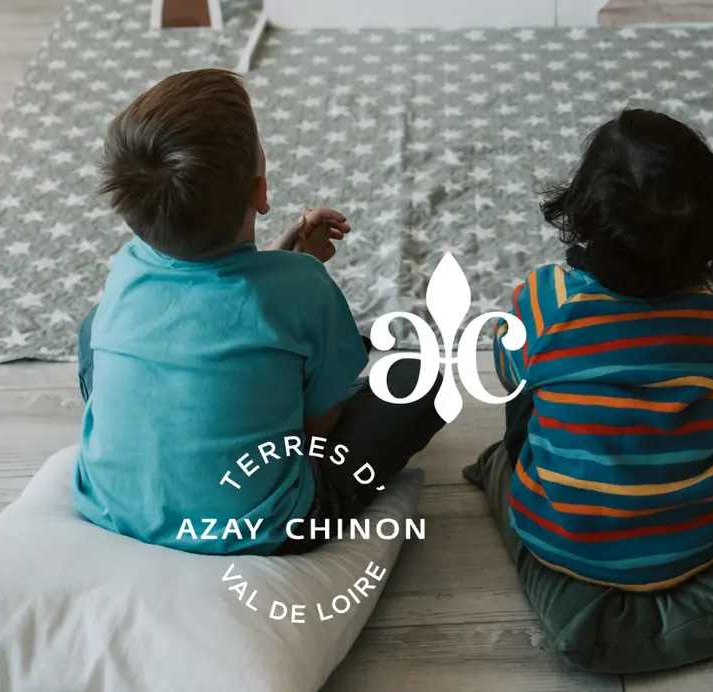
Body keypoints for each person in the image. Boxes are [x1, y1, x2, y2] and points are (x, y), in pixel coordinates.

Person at [74, 68, 444, 557]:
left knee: (94, 326)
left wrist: (279, 261)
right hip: (266, 525)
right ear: (261, 191)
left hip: (112, 504)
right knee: (421, 379)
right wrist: (297, 271)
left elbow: (210, 299)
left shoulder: (128, 266)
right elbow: (316, 432)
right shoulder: (304, 288)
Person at [491, 109, 713, 591]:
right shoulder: (710, 298)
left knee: (527, 382)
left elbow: (507, 370)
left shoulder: (547, 299)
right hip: (707, 530)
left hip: (565, 536)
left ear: (584, 208)